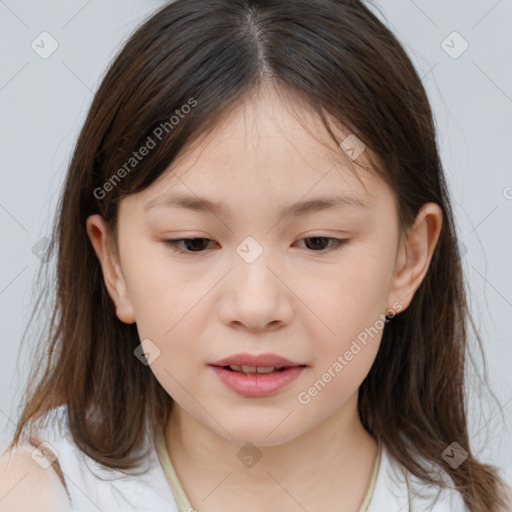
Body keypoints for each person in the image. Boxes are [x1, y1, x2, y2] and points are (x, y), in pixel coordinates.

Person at [1, 0, 510, 511]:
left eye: (318, 241)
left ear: (409, 258)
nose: (256, 306)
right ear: (114, 265)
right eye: (193, 242)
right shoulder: (35, 495)